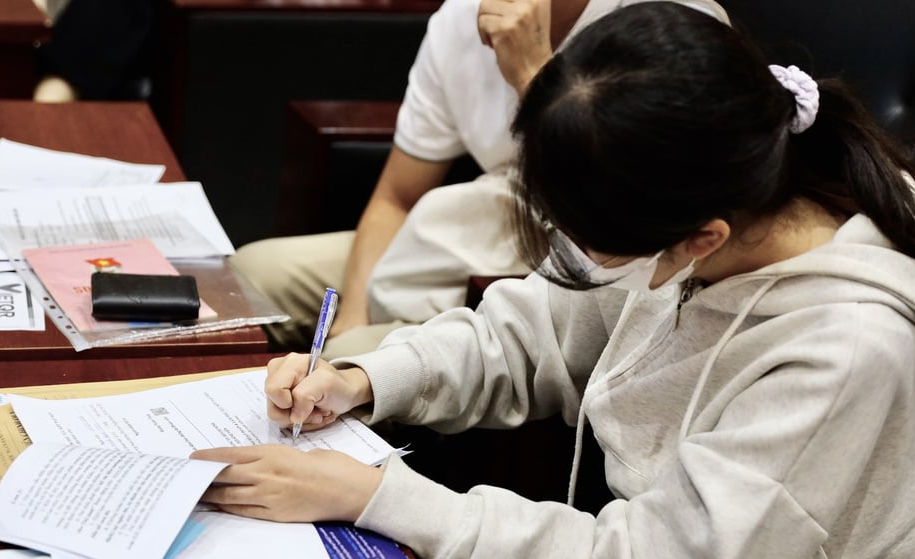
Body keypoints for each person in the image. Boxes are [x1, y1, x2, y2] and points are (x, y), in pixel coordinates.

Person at [191, 3, 915, 559]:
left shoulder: (846, 352)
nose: (572, 258)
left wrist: (381, 498)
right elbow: (534, 324)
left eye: (590, 243)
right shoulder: (693, 194)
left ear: (699, 240)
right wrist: (365, 379)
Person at [230, 0, 729, 359]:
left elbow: (625, 216)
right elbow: (397, 197)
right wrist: (351, 315)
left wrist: (534, 73)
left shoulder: (668, 24)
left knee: (355, 360)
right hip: (482, 225)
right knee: (248, 274)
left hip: (590, 261)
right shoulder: (458, 19)